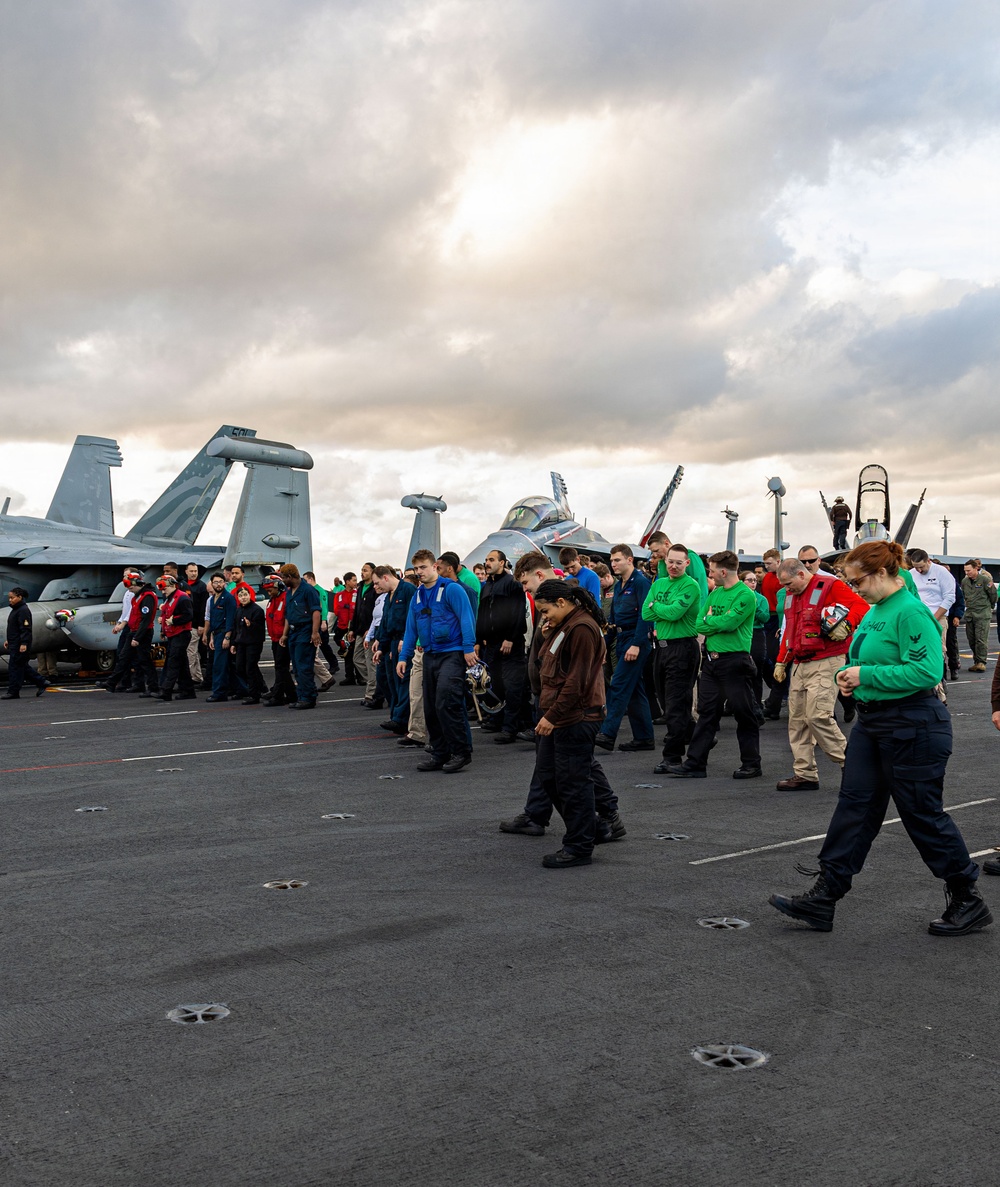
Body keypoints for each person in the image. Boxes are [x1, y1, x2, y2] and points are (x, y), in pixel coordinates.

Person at [769, 540, 992, 936]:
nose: (853, 588)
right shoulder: (875, 611)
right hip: (875, 724)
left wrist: (865, 677)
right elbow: (864, 660)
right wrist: (850, 677)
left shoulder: (910, 611)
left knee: (921, 814)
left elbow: (927, 672)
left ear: (884, 573)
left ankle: (967, 899)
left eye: (857, 581)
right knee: (853, 809)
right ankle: (825, 897)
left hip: (914, 725)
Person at [529, 580, 620, 868]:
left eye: (545, 611)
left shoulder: (581, 628)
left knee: (573, 783)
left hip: (576, 717)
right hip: (563, 714)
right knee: (550, 777)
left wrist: (551, 717)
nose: (544, 616)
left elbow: (577, 681)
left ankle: (579, 847)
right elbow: (555, 664)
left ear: (561, 602)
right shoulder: (566, 624)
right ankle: (592, 828)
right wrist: (548, 633)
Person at [771, 555, 868, 791]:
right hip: (800, 663)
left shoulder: (831, 585)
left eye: (788, 583)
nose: (786, 589)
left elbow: (862, 607)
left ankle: (850, 764)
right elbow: (790, 631)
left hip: (826, 660)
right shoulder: (791, 597)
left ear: (801, 574)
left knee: (818, 716)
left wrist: (847, 624)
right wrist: (781, 661)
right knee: (797, 722)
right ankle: (804, 774)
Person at [665, 551, 760, 779]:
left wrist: (711, 621)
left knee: (743, 714)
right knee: (707, 713)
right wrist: (713, 622)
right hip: (711, 661)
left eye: (712, 570)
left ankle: (751, 764)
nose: (710, 574)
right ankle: (695, 764)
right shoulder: (715, 593)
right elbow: (700, 623)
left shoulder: (745, 595)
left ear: (723, 571)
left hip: (735, 662)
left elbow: (729, 623)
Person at [397, 549, 477, 774]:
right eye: (417, 569)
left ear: (435, 566)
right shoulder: (418, 595)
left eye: (423, 567)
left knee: (447, 702)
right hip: (430, 655)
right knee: (431, 707)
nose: (420, 572)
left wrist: (469, 648)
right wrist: (405, 657)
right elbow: (411, 629)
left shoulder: (452, 590)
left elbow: (466, 618)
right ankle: (440, 753)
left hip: (452, 653)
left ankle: (461, 752)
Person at [642, 543, 702, 773]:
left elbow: (674, 613)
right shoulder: (659, 583)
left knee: (676, 704)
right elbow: (646, 613)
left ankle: (672, 757)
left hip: (683, 648)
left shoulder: (690, 585)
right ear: (664, 562)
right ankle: (699, 737)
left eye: (679, 562)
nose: (674, 566)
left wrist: (657, 604)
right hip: (662, 648)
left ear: (687, 563)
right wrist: (661, 608)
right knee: (668, 701)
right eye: (670, 562)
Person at [595, 544, 654, 752]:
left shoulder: (641, 583)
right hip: (620, 639)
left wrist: (637, 644)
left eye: (617, 560)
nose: (613, 564)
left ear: (629, 560)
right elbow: (612, 620)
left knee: (618, 684)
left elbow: (645, 616)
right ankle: (644, 737)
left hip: (634, 639)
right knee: (635, 691)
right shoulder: (619, 585)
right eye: (611, 561)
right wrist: (603, 645)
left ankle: (607, 733)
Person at [476, 549, 529, 743]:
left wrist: (510, 638)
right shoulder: (487, 585)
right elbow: (482, 613)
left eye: (491, 560)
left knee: (512, 685)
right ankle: (497, 719)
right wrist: (479, 638)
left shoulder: (512, 584)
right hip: (490, 644)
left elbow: (517, 613)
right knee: (495, 683)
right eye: (486, 560)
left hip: (510, 643)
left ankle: (511, 727)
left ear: (502, 562)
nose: (487, 563)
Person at [372, 565, 416, 734]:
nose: (375, 587)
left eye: (376, 583)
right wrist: (381, 645)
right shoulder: (388, 596)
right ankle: (396, 716)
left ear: (385, 578)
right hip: (391, 642)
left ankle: (401, 720)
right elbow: (385, 622)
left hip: (403, 642)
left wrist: (406, 638)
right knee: (388, 681)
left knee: (403, 681)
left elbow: (412, 617)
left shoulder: (408, 590)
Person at [279, 563, 323, 709]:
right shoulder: (289, 592)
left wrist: (315, 632)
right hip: (293, 632)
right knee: (297, 666)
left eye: (284, 578)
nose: (283, 581)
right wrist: (285, 635)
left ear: (290, 576)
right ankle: (302, 696)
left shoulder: (308, 591)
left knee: (304, 665)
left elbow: (316, 612)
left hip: (305, 630)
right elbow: (288, 615)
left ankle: (308, 697)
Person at [154, 576, 196, 702]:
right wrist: (163, 629)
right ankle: (188, 691)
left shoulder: (182, 598)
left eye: (164, 588)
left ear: (172, 585)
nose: (163, 591)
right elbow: (166, 614)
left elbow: (189, 615)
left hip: (181, 634)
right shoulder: (170, 598)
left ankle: (166, 691)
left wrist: (174, 620)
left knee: (173, 662)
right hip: (173, 634)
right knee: (182, 664)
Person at [2, 588, 48, 698]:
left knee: (15, 668)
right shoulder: (16, 610)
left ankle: (13, 692)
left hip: (19, 645)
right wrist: (9, 640)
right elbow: (15, 629)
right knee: (21, 666)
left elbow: (25, 629)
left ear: (20, 597)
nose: (10, 600)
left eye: (12, 598)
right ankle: (42, 682)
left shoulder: (23, 610)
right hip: (15, 643)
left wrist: (24, 644)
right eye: (9, 598)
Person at [740, 570, 771, 721]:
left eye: (755, 580)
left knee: (756, 672)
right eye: (749, 580)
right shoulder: (738, 597)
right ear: (742, 581)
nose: (753, 583)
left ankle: (757, 705)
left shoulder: (761, 599)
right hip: (741, 634)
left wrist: (755, 606)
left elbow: (764, 617)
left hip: (757, 634)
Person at [262, 574, 297, 706]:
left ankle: (278, 696)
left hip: (283, 639)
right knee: (281, 668)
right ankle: (292, 694)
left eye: (270, 589)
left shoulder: (286, 598)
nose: (268, 592)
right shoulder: (273, 600)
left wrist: (284, 635)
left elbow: (287, 618)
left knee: (281, 667)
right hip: (275, 639)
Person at [347, 563, 378, 704]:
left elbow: (376, 612)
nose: (362, 572)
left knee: (370, 661)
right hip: (359, 630)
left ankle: (371, 694)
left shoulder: (376, 589)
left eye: (365, 570)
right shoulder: (360, 588)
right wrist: (352, 628)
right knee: (357, 659)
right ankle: (377, 682)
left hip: (369, 631)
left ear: (372, 572)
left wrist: (370, 629)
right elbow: (356, 610)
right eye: (361, 570)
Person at [206, 572, 238, 702]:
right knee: (224, 664)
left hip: (224, 634)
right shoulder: (213, 599)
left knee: (219, 665)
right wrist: (212, 637)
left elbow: (231, 619)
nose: (218, 584)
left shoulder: (228, 598)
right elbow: (213, 620)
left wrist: (227, 637)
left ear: (224, 583)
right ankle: (239, 689)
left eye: (220, 582)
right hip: (216, 634)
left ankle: (219, 693)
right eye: (215, 582)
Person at [232, 586, 267, 704]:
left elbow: (260, 628)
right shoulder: (238, 610)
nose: (243, 597)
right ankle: (261, 687)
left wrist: (250, 624)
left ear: (250, 595)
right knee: (240, 667)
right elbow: (236, 628)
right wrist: (234, 643)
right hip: (241, 642)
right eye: (241, 595)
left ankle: (254, 694)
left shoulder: (256, 610)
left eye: (245, 595)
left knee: (250, 668)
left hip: (254, 643)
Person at [961, 560, 996, 672]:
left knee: (981, 640)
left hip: (982, 614)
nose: (967, 573)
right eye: (965, 571)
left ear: (976, 568)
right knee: (971, 640)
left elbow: (993, 595)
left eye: (969, 570)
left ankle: (981, 662)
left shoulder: (986, 580)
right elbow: (964, 596)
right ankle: (977, 661)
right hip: (970, 614)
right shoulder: (965, 581)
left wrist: (989, 607)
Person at [183, 563, 208, 686]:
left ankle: (194, 677)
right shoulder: (184, 585)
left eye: (195, 571)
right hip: (187, 623)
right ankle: (195, 675)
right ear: (186, 571)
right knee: (191, 651)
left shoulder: (201, 587)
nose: (194, 573)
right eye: (191, 571)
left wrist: (201, 624)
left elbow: (203, 607)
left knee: (191, 652)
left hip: (195, 624)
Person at [333, 573, 359, 683]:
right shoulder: (339, 595)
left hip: (354, 628)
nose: (355, 582)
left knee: (355, 652)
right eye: (353, 580)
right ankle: (350, 676)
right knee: (348, 652)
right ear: (347, 581)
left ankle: (359, 676)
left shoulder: (357, 594)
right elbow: (336, 610)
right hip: (342, 627)